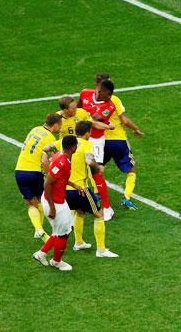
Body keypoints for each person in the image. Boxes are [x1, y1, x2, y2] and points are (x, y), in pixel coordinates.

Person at [42, 121, 118, 258]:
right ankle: (101, 250)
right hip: (80, 189)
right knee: (99, 215)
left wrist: (53, 157)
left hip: (64, 190)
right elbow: (90, 162)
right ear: (88, 132)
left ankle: (78, 242)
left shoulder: (64, 142)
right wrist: (97, 168)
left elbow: (46, 147)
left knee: (80, 212)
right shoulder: (87, 145)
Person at [94, 73, 143, 211]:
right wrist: (136, 129)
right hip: (118, 140)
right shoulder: (113, 99)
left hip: (101, 141)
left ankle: (96, 195)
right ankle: (126, 198)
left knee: (97, 168)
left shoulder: (91, 101)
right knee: (131, 170)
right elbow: (124, 120)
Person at [32, 135, 81, 271]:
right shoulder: (62, 162)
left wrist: (73, 184)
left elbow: (60, 178)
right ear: (72, 147)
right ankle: (56, 261)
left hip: (58, 199)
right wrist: (52, 208)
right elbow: (47, 183)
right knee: (63, 233)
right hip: (54, 201)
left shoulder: (63, 157)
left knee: (63, 229)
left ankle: (41, 254)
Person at [15, 113, 63, 241]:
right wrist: (49, 176)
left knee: (31, 203)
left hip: (19, 171)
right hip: (34, 172)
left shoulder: (35, 129)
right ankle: (47, 229)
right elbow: (45, 161)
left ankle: (39, 230)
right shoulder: (50, 139)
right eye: (60, 126)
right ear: (56, 125)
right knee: (42, 201)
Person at [79, 80, 117, 221]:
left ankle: (107, 208)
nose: (111, 96)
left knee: (96, 172)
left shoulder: (110, 106)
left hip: (95, 141)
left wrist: (105, 125)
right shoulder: (85, 93)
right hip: (80, 137)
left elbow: (92, 121)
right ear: (100, 91)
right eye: (109, 94)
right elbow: (78, 109)